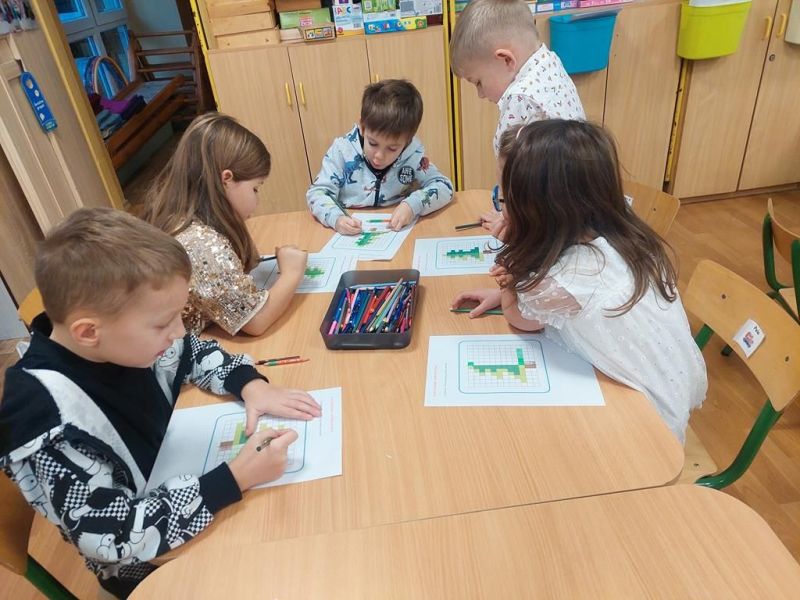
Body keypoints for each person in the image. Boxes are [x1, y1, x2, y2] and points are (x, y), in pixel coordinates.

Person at [0, 208, 321, 597]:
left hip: (183, 487)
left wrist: (250, 384)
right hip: (145, 565)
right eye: (162, 323)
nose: (179, 332)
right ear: (88, 332)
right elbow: (115, 536)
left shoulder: (122, 341)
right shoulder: (49, 424)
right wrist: (233, 479)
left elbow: (191, 352)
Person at [451, 120, 707, 442]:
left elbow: (521, 319)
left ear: (539, 210)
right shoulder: (621, 235)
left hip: (645, 424)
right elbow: (560, 301)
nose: (502, 212)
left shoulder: (569, 277)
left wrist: (511, 275)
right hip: (665, 384)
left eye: (505, 201)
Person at [142, 112, 307, 336]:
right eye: (255, 188)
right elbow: (255, 321)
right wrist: (292, 273)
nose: (257, 200)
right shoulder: (199, 243)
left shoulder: (180, 217)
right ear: (226, 179)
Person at [450, 0, 585, 231]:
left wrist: (510, 220)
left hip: (549, 222)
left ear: (506, 59)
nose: (480, 94)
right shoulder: (549, 61)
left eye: (478, 82)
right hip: (577, 204)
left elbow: (513, 178)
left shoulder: (520, 97)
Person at [306, 79, 453, 234]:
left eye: (392, 148)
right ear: (363, 127)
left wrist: (412, 205)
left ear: (407, 141)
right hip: (349, 229)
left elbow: (444, 186)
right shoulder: (341, 151)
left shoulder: (413, 156)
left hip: (395, 231)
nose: (379, 156)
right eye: (373, 143)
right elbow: (317, 193)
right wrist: (336, 219)